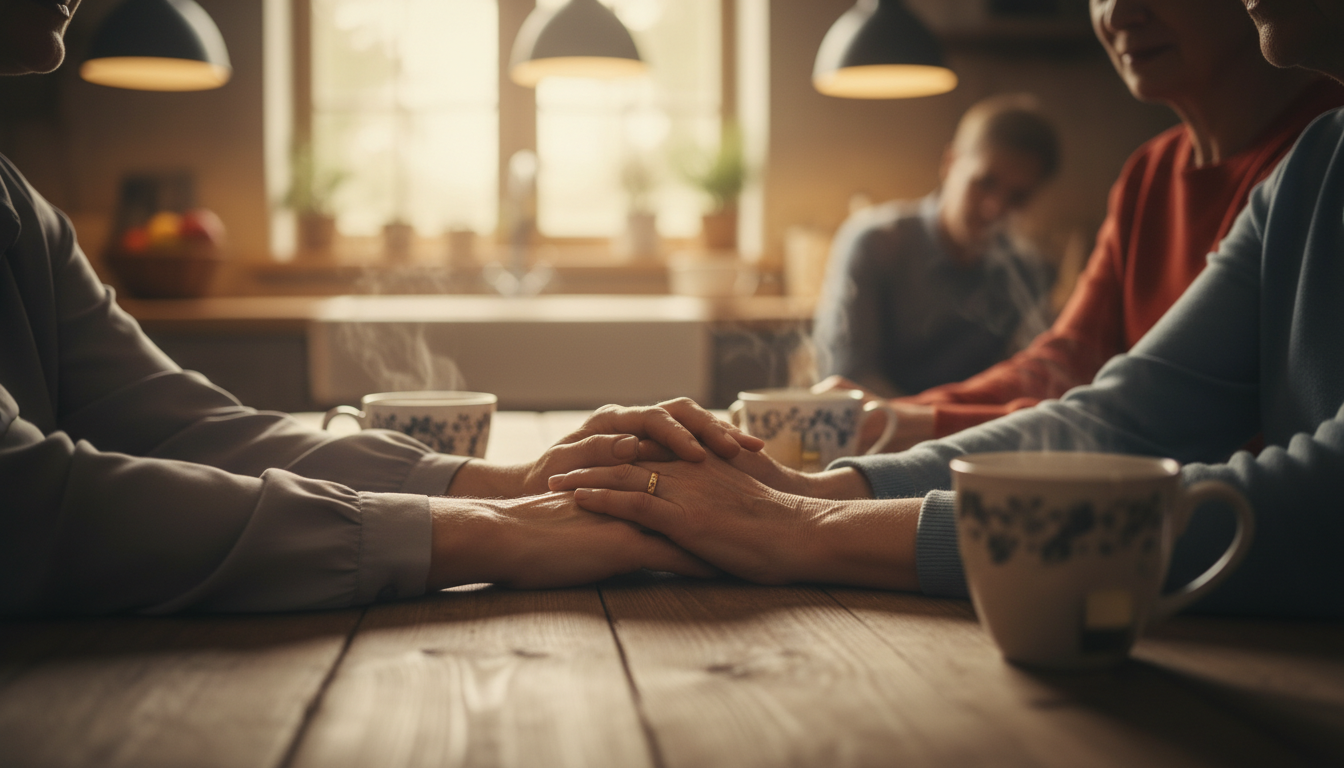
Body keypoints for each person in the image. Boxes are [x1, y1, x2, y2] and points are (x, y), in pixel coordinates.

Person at [555, 0, 1344, 620]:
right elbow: (1117, 415)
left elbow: (1316, 513)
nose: (1119, 9)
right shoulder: (1315, 165)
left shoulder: (1298, 146)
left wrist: (803, 526)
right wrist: (833, 487)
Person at [0, 0, 766, 616]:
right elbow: (24, 509)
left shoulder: (16, 203)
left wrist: (513, 484)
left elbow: (181, 427)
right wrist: (491, 534)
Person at [827, 0, 1344, 452]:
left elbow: (1144, 419)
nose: (1117, 13)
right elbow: (1065, 362)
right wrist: (893, 419)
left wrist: (904, 424)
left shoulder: (1320, 159)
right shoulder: (1149, 174)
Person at [811, 95, 1058, 398]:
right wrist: (929, 421)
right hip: (880, 436)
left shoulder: (1027, 270)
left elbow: (1026, 381)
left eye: (1017, 198)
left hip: (971, 436)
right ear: (950, 162)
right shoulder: (877, 244)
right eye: (984, 182)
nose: (995, 209)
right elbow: (850, 378)